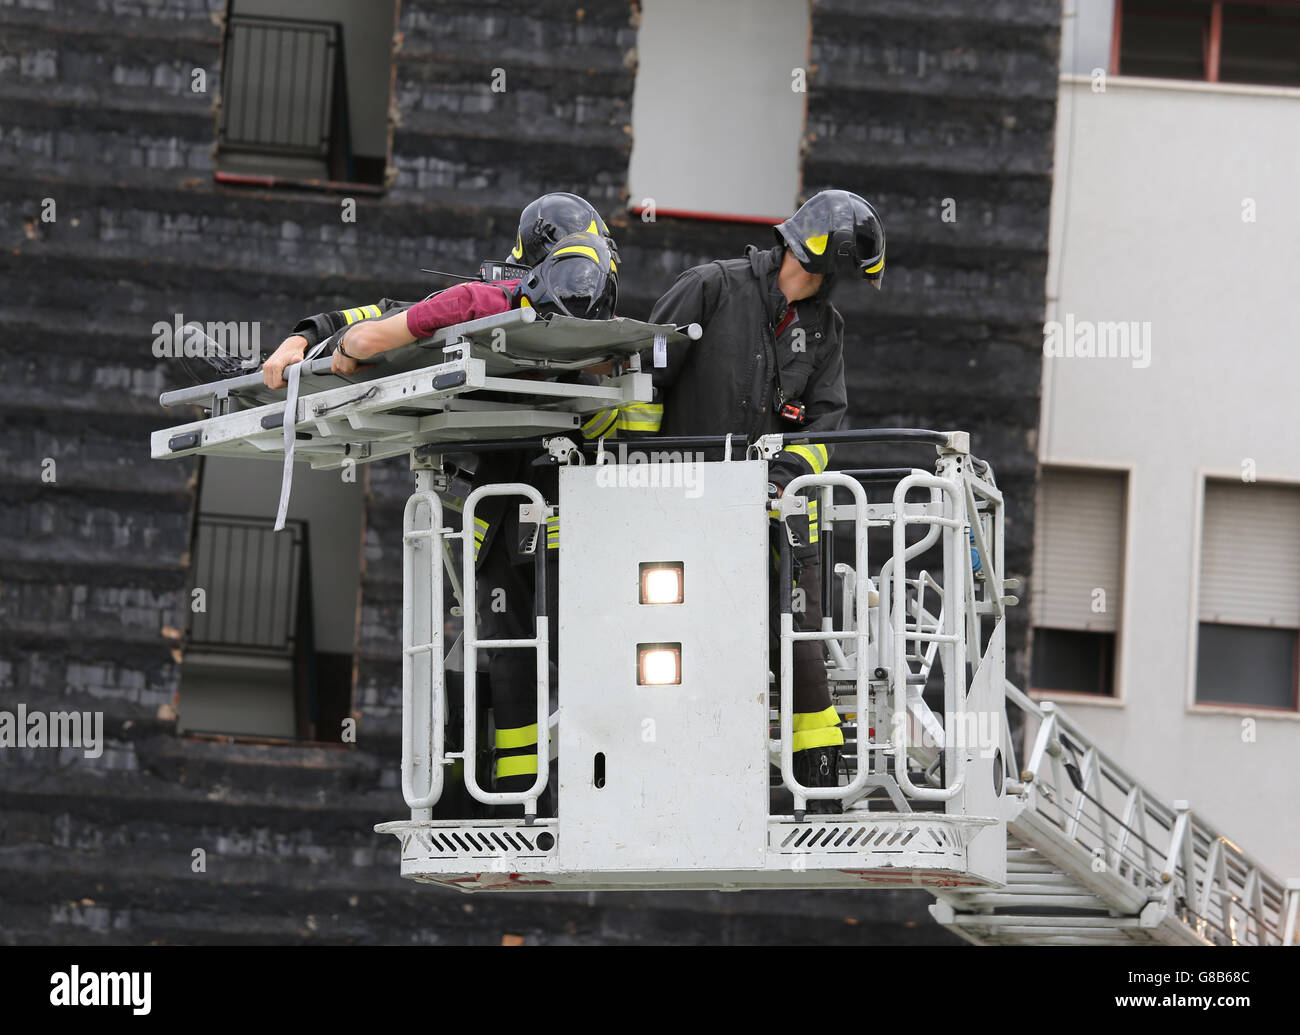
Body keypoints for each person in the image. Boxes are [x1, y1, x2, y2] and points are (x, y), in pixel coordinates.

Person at [643, 189, 886, 813]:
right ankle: (679, 776)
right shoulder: (710, 290)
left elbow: (823, 425)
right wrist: (639, 479)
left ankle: (819, 781)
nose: (833, 284)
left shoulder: (825, 330)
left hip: (776, 516)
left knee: (799, 637)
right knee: (681, 643)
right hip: (680, 513)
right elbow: (642, 383)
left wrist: (781, 480)